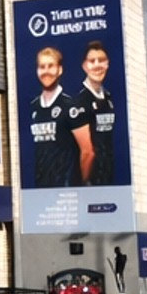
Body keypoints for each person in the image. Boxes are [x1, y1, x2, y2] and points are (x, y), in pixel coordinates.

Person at [30, 47, 88, 187]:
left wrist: (80, 187)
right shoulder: (33, 107)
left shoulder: (70, 106)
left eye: (51, 66)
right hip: (39, 193)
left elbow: (87, 151)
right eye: (42, 67)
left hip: (66, 193)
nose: (46, 71)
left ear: (59, 69)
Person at [75, 42, 117, 185]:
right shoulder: (81, 101)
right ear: (84, 65)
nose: (97, 65)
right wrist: (84, 184)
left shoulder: (108, 98)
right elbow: (87, 152)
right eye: (92, 61)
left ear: (108, 64)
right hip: (89, 184)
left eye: (102, 60)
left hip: (107, 179)